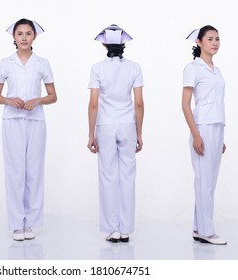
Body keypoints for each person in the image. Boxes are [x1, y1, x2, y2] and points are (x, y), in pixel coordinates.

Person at [0, 18, 57, 241]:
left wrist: (37, 100)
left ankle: (30, 223)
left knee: (34, 171)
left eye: (28, 34)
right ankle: (17, 223)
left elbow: (53, 96)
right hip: (12, 120)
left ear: (34, 37)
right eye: (20, 34)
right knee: (15, 172)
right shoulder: (5, 63)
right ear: (14, 37)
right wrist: (10, 100)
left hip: (35, 121)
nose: (24, 38)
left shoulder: (42, 63)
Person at [87, 24, 144, 243]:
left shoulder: (97, 68)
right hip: (128, 124)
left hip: (106, 125)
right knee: (127, 176)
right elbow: (138, 102)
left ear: (104, 44)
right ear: (124, 45)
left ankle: (112, 229)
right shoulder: (134, 67)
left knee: (108, 175)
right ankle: (126, 229)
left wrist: (91, 134)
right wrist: (139, 132)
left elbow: (93, 104)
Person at [181, 25, 227, 245]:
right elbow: (185, 105)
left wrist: (221, 137)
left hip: (217, 126)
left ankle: (199, 227)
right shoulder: (193, 68)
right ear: (198, 42)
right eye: (210, 39)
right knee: (204, 180)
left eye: (217, 39)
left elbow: (218, 102)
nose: (215, 43)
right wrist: (196, 135)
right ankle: (207, 232)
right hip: (203, 126)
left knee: (210, 181)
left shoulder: (216, 70)